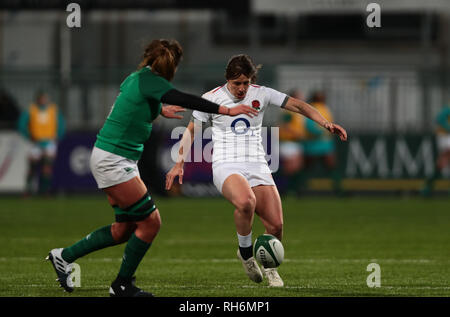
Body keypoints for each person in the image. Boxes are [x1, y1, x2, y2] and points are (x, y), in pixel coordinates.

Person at [46, 39, 258, 297]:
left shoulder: (137, 78)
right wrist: (226, 109)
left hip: (114, 156)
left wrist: (159, 108)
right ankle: (122, 285)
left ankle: (64, 256)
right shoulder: (154, 81)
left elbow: (133, 101)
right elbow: (182, 97)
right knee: (151, 222)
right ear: (171, 65)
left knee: (123, 229)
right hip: (114, 159)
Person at [165, 54, 347, 287]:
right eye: (236, 83)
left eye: (246, 83)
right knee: (246, 202)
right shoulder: (211, 98)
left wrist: (325, 123)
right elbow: (191, 130)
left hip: (258, 164)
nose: (241, 89)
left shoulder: (262, 93)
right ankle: (246, 253)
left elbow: (299, 105)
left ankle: (270, 268)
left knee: (276, 225)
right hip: (226, 164)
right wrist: (179, 162)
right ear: (227, 80)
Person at [17, 91, 65, 196]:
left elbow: (61, 124)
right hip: (36, 142)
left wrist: (58, 135)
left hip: (49, 142)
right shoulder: (31, 109)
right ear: (38, 99)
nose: (44, 100)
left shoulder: (53, 109)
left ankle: (44, 191)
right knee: (32, 167)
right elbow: (21, 125)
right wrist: (28, 136)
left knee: (47, 167)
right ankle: (28, 190)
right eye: (42, 98)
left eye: (45, 98)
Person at [301, 91, 342, 195]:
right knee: (307, 168)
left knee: (331, 167)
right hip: (313, 144)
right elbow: (309, 126)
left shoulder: (325, 108)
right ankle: (298, 189)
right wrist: (323, 132)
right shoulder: (312, 108)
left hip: (324, 144)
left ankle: (338, 189)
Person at [277, 89, 306, 195]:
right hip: (288, 142)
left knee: (296, 168)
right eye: (300, 97)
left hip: (295, 143)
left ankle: (294, 189)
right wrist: (297, 133)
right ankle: (282, 189)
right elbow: (285, 126)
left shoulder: (298, 112)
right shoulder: (289, 111)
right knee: (289, 169)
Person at [421, 104, 450, 196]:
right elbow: (439, 119)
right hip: (445, 136)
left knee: (443, 162)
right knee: (445, 158)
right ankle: (428, 185)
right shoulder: (447, 110)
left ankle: (428, 185)